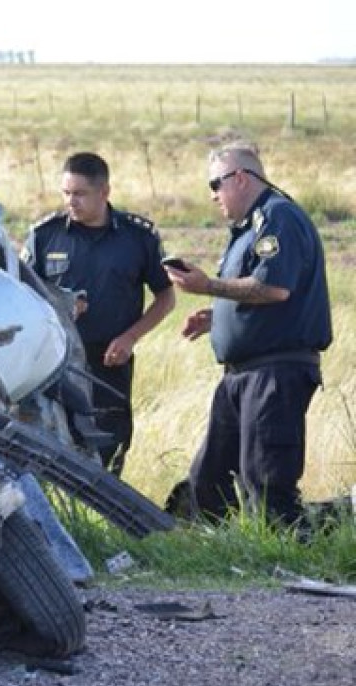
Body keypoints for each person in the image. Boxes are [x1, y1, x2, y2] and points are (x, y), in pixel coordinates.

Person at [165, 141, 332, 529]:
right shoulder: (245, 228)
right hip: (242, 374)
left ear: (239, 178)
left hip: (275, 371)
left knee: (266, 481)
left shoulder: (277, 218)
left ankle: (285, 565)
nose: (212, 197)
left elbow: (273, 288)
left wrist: (208, 286)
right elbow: (253, 292)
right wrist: (218, 316)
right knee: (210, 477)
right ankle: (219, 560)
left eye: (215, 185)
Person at [22, 152, 176, 476]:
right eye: (66, 193)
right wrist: (60, 306)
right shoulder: (45, 235)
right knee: (53, 441)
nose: (71, 202)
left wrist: (131, 337)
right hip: (55, 359)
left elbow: (166, 297)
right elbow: (21, 293)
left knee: (110, 443)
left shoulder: (137, 238)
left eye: (79, 194)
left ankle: (105, 521)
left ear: (104, 192)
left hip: (109, 359)